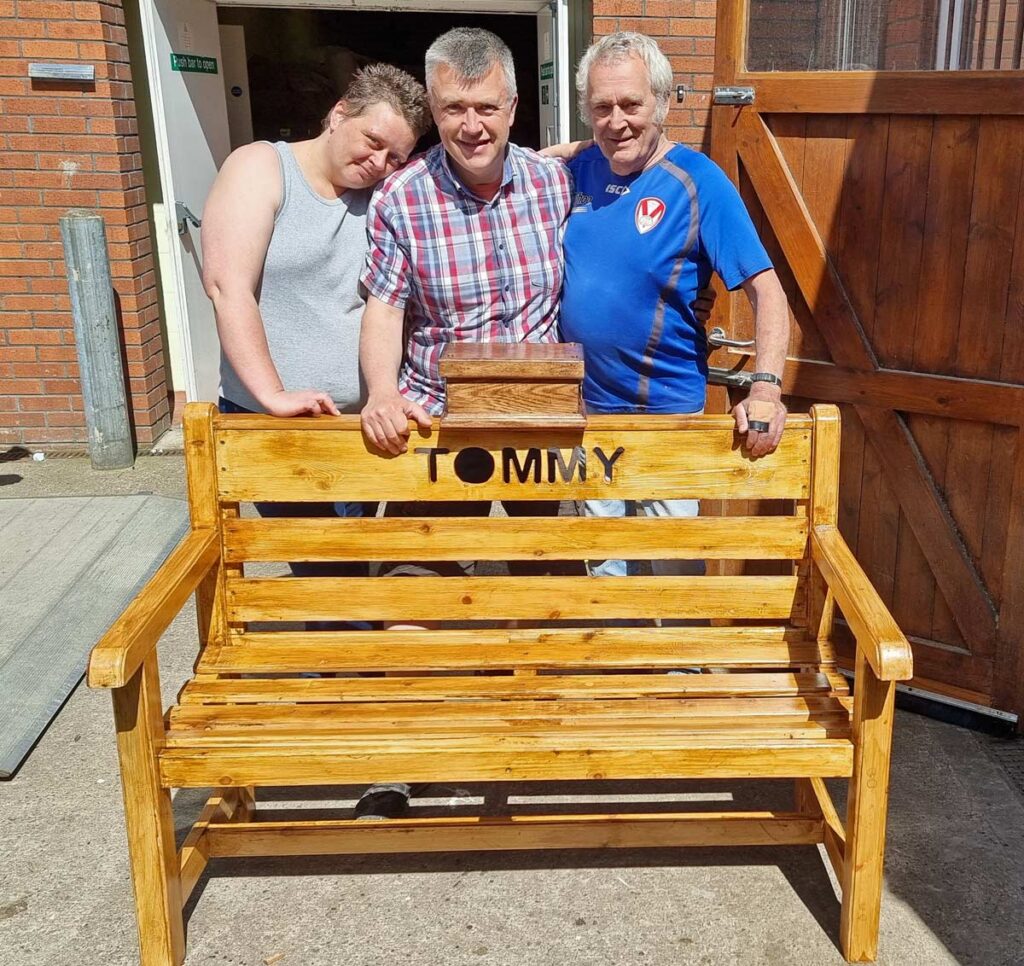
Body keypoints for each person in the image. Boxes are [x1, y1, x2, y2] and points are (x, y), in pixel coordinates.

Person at [201, 64, 431, 821]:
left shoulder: (390, 196)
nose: (381, 165)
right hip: (290, 435)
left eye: (396, 156)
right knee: (330, 589)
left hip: (373, 434)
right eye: (373, 144)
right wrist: (270, 393)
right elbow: (228, 284)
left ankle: (387, 754)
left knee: (393, 587)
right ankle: (363, 752)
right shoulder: (260, 168)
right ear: (338, 114)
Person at [555, 32, 790, 578]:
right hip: (589, 419)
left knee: (671, 571)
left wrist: (765, 386)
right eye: (602, 108)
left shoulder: (699, 182)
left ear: (661, 102)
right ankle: (617, 663)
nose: (618, 121)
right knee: (605, 574)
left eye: (631, 104)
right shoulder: (577, 169)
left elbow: (768, 293)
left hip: (665, 417)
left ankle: (681, 668)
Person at [359, 27, 572, 453]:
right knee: (438, 524)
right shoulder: (400, 198)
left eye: (486, 107)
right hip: (437, 417)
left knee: (538, 524)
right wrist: (382, 394)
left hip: (539, 412)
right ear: (434, 111)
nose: (472, 127)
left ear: (511, 108)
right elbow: (384, 310)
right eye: (454, 108)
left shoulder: (554, 182)